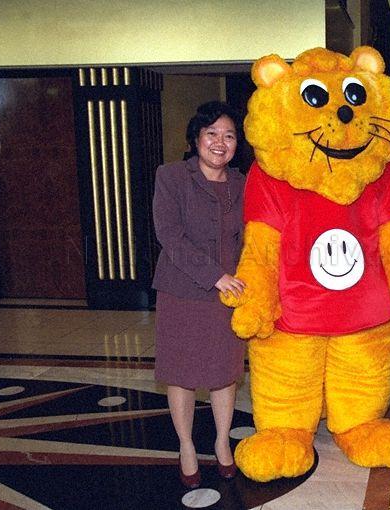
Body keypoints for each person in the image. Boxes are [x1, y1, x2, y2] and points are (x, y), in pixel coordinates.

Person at [152, 101, 247, 488]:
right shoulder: (171, 176)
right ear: (195, 139)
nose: (220, 143)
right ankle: (187, 445)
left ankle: (222, 443)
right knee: (183, 373)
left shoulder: (243, 182)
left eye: (228, 135)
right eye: (211, 134)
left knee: (226, 373)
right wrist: (215, 275)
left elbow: (254, 236)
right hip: (182, 291)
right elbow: (169, 235)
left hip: (231, 294)